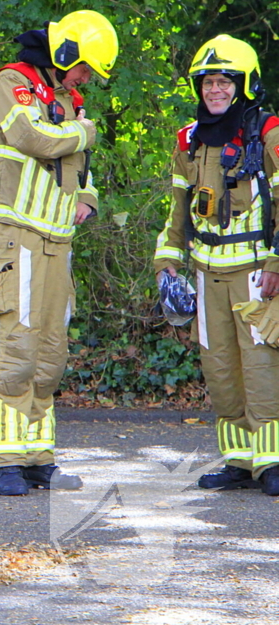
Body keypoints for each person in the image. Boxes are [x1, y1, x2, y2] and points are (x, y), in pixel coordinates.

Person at [0, 10, 118, 495]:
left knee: (50, 353)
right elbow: (31, 137)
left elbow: (79, 165)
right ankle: (5, 461)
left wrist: (88, 197)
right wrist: (84, 131)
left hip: (57, 238)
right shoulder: (12, 82)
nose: (86, 79)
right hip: (14, 233)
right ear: (65, 52)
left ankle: (38, 458)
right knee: (16, 346)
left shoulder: (65, 99)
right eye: (85, 68)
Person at [153, 34, 279, 496]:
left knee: (262, 369)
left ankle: (272, 461)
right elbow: (177, 213)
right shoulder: (188, 140)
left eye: (225, 81)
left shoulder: (268, 133)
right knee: (220, 370)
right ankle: (239, 461)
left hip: (256, 275)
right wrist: (167, 262)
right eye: (208, 82)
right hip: (207, 275)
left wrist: (276, 261)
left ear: (244, 84)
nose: (215, 90)